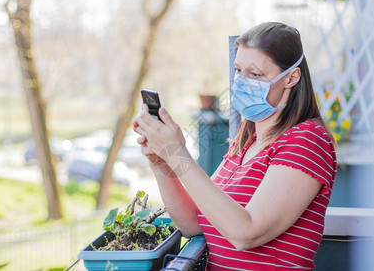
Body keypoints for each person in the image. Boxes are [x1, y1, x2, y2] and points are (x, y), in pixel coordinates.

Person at [133, 22, 337, 270]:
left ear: (292, 78)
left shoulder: (307, 140)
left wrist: (178, 154)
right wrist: (162, 162)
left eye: (255, 74)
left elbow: (246, 233)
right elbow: (193, 224)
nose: (241, 82)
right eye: (239, 71)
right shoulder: (246, 141)